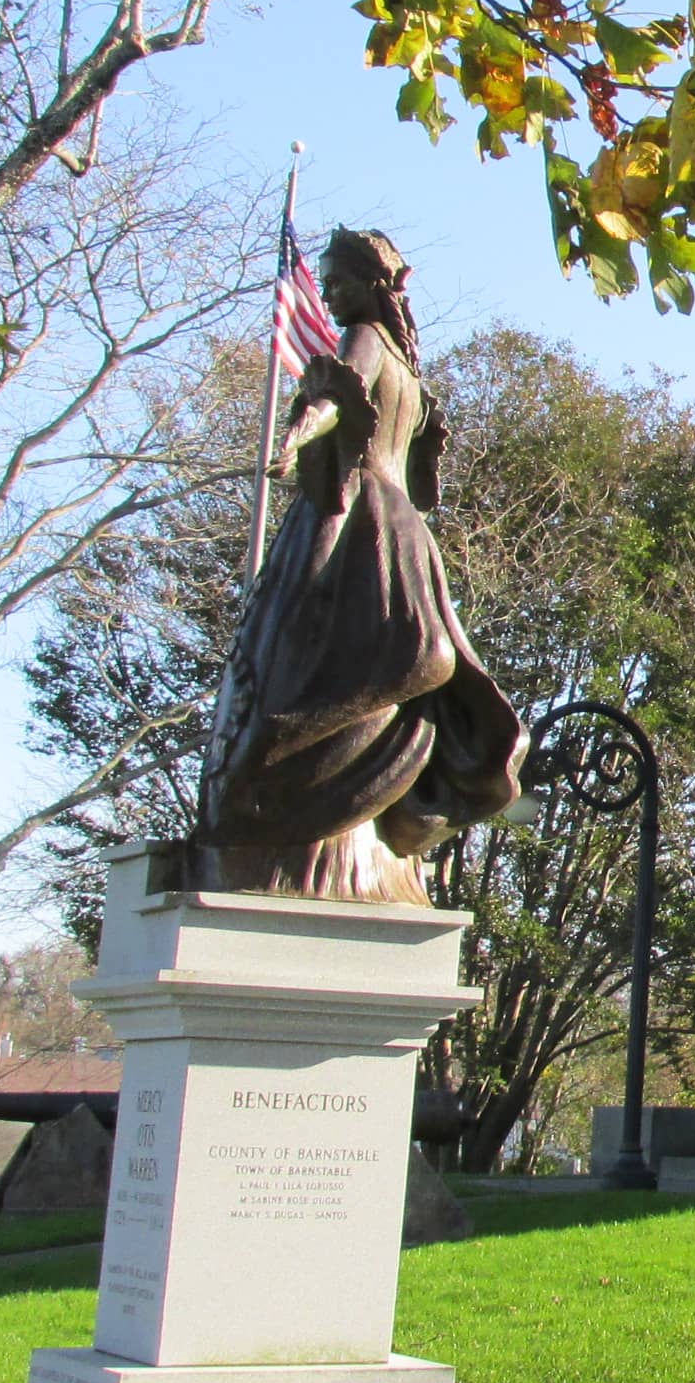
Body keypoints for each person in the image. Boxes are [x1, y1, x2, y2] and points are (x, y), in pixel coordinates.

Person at [191, 229, 523, 900]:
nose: (330, 291)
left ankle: (274, 782)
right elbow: (413, 467)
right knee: (381, 661)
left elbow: (332, 401)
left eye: (337, 279)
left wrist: (294, 440)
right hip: (395, 528)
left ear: (373, 285)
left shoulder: (367, 341)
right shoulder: (407, 367)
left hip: (356, 519)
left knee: (316, 661)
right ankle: (330, 801)